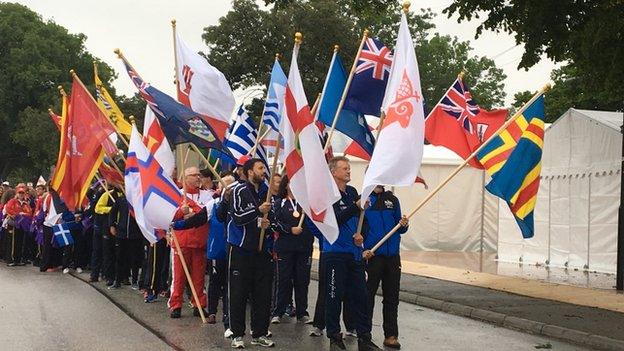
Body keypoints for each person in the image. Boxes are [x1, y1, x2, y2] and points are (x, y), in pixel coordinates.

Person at [323, 156, 380, 350]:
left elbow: (363, 220)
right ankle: (334, 336)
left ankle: (364, 337)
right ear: (333, 172)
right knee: (334, 296)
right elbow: (332, 220)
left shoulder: (353, 193)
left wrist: (361, 234)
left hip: (354, 253)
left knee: (361, 296)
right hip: (335, 253)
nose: (348, 170)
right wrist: (354, 207)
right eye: (344, 168)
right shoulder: (326, 194)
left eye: (349, 168)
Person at [227, 158, 275, 348]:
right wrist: (257, 211)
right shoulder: (238, 190)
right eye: (260, 168)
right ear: (249, 172)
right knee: (238, 293)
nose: (264, 171)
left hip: (262, 250)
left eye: (264, 168)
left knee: (263, 294)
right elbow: (238, 217)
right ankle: (237, 334)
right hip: (241, 249)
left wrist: (268, 224)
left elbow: (273, 218)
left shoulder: (267, 192)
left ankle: (260, 333)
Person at [362, 186, 409, 349]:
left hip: (393, 257)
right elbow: (357, 230)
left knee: (392, 297)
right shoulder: (363, 201)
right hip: (373, 256)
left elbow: (401, 228)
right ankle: (364, 334)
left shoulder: (393, 200)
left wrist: (404, 224)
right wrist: (362, 250)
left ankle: (391, 335)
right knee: (367, 297)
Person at [168, 166, 213, 318]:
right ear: (185, 178)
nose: (198, 178)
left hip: (200, 242)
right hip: (182, 243)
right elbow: (170, 217)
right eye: (194, 175)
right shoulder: (176, 194)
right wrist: (182, 212)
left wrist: (191, 211)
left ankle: (199, 304)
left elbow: (207, 213)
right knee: (179, 277)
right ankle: (175, 305)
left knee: (199, 277)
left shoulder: (207, 195)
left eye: (198, 175)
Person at [271, 174, 313, 324]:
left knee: (302, 280)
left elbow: (315, 223)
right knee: (283, 280)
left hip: (304, 247)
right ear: (286, 185)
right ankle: (278, 311)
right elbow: (273, 223)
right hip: (285, 247)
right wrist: (289, 229)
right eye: (292, 182)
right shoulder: (279, 203)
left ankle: (302, 312)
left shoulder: (307, 204)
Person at [108, 190, 143, 289]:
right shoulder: (121, 199)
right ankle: (117, 280)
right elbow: (112, 212)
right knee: (119, 258)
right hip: (121, 234)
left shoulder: (139, 200)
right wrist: (112, 225)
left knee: (135, 259)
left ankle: (135, 281)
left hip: (135, 234)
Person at [4, 185, 32, 266]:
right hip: (13, 224)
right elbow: (8, 209)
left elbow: (30, 212)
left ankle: (18, 259)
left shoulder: (26, 203)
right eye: (20, 193)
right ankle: (10, 260)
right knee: (12, 242)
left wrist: (23, 214)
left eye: (23, 193)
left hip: (22, 225)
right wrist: (18, 214)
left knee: (20, 242)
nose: (21, 194)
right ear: (17, 193)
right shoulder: (12, 201)